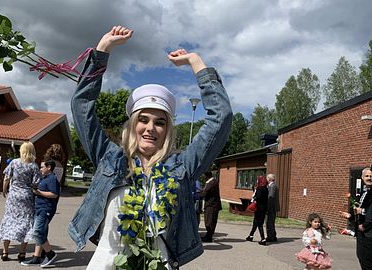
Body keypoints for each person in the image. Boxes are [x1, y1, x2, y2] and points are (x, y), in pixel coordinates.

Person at [67, 26, 232, 269]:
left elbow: (221, 117)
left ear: (167, 130)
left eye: (160, 122)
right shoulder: (110, 158)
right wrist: (102, 50)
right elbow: (82, 106)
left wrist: (195, 62)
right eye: (143, 119)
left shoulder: (182, 166)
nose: (150, 128)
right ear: (133, 124)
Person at [0, 141, 41, 262]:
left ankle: (5, 252)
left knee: (9, 220)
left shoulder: (14, 162)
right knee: (25, 223)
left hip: (14, 196)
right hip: (27, 196)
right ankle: (22, 252)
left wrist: (4, 190)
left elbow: (6, 177)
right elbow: (36, 183)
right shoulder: (34, 166)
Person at [20, 159, 61, 267]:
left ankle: (50, 254)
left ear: (49, 168)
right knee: (41, 232)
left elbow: (54, 194)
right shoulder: (44, 178)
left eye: (42, 167)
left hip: (45, 209)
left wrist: (38, 192)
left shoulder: (52, 178)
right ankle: (37, 257)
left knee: (37, 232)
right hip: (38, 208)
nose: (40, 169)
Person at [340, 167, 372, 269]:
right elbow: (361, 210)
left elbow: (369, 212)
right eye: (367, 176)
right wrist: (350, 216)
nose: (369, 178)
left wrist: (365, 223)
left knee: (368, 260)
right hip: (361, 232)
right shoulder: (364, 193)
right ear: (362, 178)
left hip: (369, 232)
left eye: (371, 176)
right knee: (361, 257)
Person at [245, 175, 268, 245]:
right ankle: (250, 236)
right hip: (263, 208)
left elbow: (257, 197)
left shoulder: (260, 188)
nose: (257, 181)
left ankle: (263, 239)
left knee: (259, 224)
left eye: (258, 180)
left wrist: (254, 196)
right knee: (255, 222)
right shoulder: (266, 189)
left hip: (258, 208)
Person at [200, 171, 222, 242]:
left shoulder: (211, 183)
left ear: (206, 176)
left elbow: (204, 194)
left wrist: (195, 195)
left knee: (209, 221)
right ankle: (208, 236)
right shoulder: (213, 182)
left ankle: (209, 237)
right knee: (209, 221)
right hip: (212, 205)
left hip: (212, 206)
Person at [266, 173, 280, 242]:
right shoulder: (270, 186)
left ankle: (271, 237)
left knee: (269, 223)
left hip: (271, 208)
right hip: (271, 207)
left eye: (267, 178)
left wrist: (267, 207)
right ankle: (273, 236)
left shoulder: (273, 186)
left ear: (269, 179)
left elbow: (270, 197)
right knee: (270, 222)